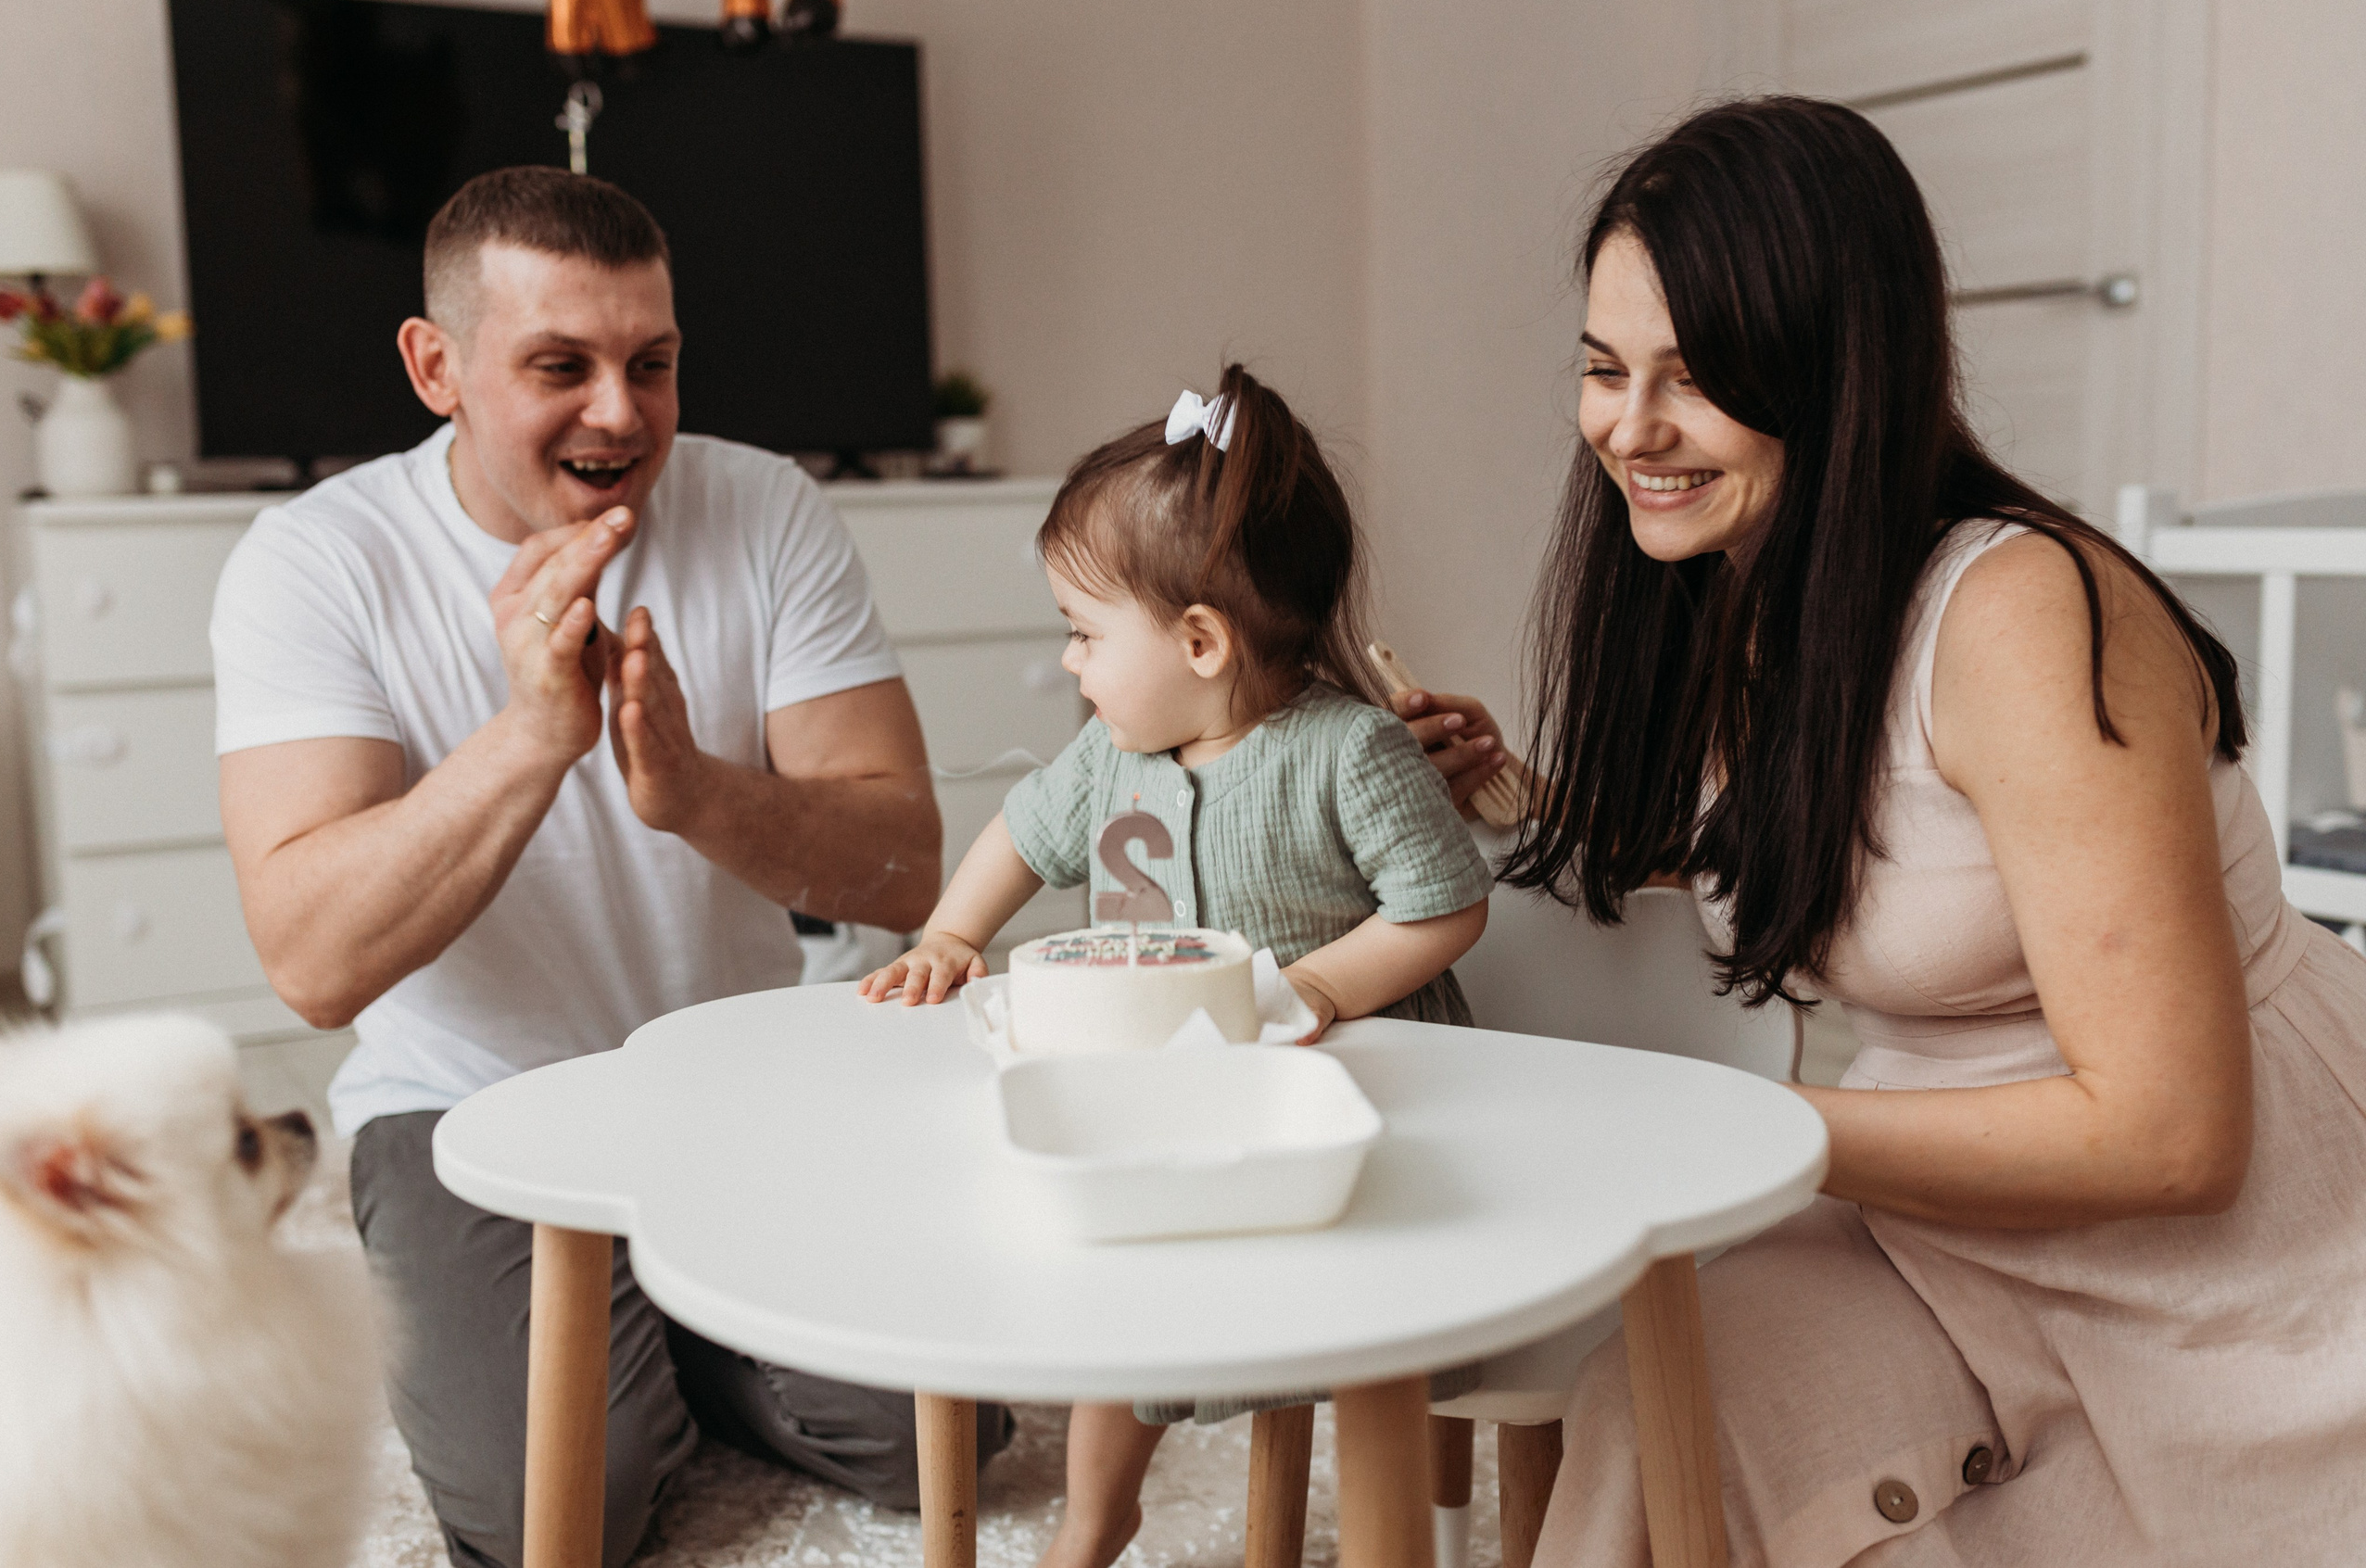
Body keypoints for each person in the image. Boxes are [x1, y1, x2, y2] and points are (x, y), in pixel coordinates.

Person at [1420, 98, 2366, 1564]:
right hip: (1947, 1218)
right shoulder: (1748, 584)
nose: (1630, 428)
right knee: (1658, 1410)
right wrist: (1519, 805)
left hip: (2237, 1262)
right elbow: (1857, 869)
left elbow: (2178, 1139)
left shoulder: (2023, 613)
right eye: (1606, 370)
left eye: (1699, 378)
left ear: (1832, 372)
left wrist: (1721, 1132)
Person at [210, 166, 1012, 1568]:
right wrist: (531, 738)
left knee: (935, 1434)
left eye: (652, 363)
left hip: (742, 1075)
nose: (621, 413)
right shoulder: (313, 563)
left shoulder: (767, 510)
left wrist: (696, 792)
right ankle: (643, 1334)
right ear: (435, 366)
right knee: (554, 1519)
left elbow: (904, 865)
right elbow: (312, 963)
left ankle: (659, 1321)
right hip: (462, 1112)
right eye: (561, 367)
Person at [857, 362, 1493, 1568]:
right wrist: (950, 934)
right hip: (1158, 1095)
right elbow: (1018, 835)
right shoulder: (1110, 753)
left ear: (1200, 641)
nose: (1071, 668)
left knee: (1357, 1337)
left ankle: (1379, 1538)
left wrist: (1314, 989)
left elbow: (1444, 908)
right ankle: (1096, 1523)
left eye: (1083, 635)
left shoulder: (1345, 751)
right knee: (1124, 1318)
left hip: (1340, 1104)